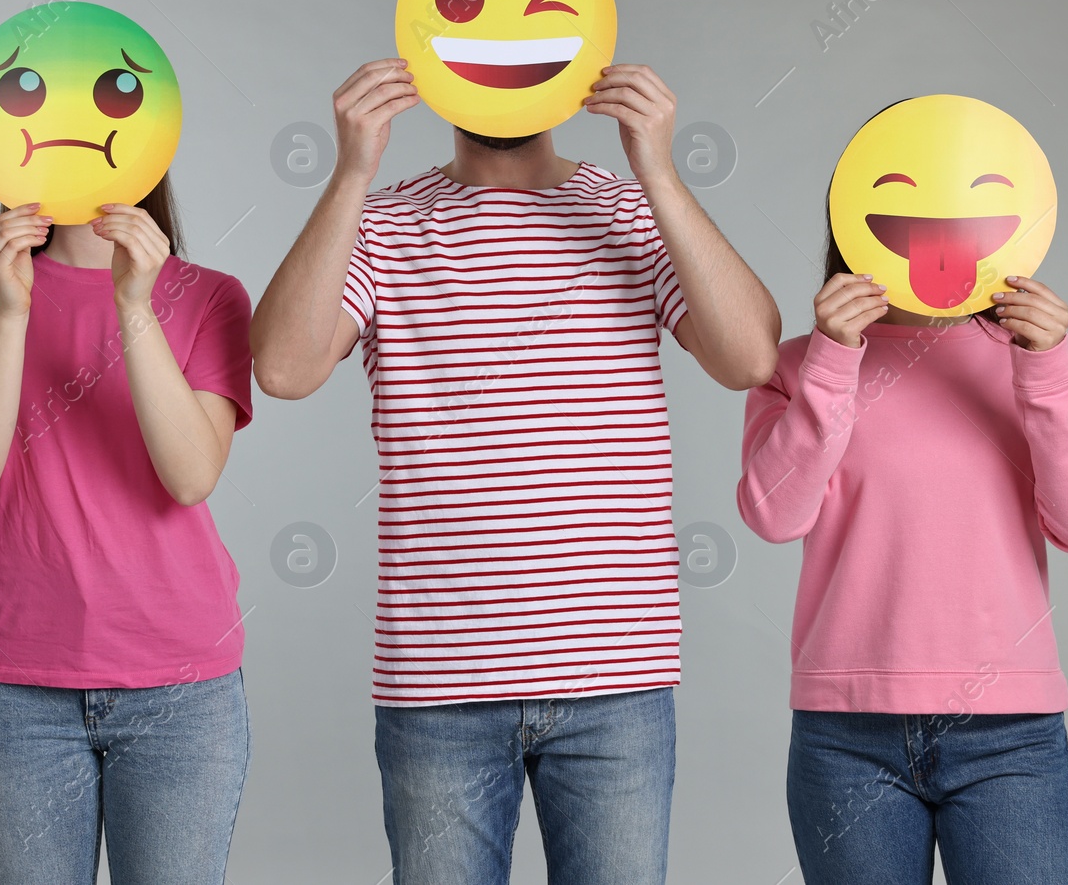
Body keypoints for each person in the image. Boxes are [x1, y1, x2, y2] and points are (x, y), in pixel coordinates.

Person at [251, 59, 782, 884]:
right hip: (438, 687)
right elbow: (283, 368)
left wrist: (659, 172)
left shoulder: (632, 213)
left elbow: (749, 356)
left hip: (616, 679)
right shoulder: (382, 224)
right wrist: (352, 170)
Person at [736, 204, 1068, 884]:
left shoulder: (1026, 360)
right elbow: (774, 513)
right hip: (846, 736)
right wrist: (833, 360)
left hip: (1010, 734)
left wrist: (1049, 368)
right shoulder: (799, 365)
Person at [0, 178, 255, 884]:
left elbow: (191, 474)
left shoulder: (210, 295)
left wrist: (134, 304)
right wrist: (11, 313)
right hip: (16, 692)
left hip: (181, 690)